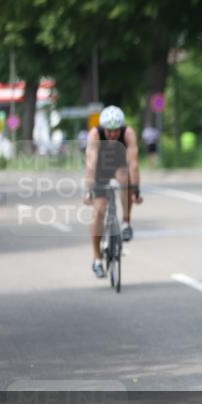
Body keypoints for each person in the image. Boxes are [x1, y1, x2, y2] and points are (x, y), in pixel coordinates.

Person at [83, 106, 142, 278]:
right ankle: (96, 259)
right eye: (108, 131)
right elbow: (91, 164)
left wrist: (136, 189)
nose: (112, 135)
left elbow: (134, 163)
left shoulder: (128, 134)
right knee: (99, 212)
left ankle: (126, 223)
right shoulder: (95, 135)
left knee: (126, 179)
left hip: (119, 166)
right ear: (103, 128)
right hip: (100, 169)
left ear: (121, 128)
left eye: (116, 131)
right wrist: (89, 189)